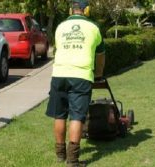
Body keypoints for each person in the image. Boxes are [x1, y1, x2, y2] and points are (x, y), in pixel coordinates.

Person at [45, 0, 105, 166]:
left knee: (59, 115)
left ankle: (60, 154)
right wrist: (98, 74)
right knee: (77, 116)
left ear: (71, 10)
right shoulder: (94, 28)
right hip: (81, 75)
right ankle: (72, 160)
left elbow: (58, 49)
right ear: (86, 10)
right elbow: (100, 56)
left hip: (59, 74)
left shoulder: (60, 27)